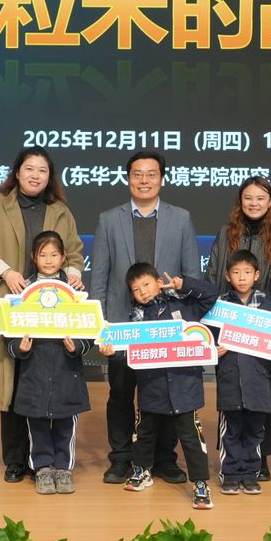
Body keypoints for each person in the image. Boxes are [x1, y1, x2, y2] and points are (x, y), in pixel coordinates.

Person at [0, 148, 85, 483]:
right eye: (29, 168)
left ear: (50, 176)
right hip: (10, 304)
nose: (35, 175)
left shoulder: (60, 211)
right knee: (13, 382)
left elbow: (74, 249)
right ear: (17, 173)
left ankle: (43, 460)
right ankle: (16, 459)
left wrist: (72, 273)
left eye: (42, 170)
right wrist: (5, 271)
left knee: (43, 383)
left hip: (50, 310)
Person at [90, 150, 202, 485]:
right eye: (137, 174)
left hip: (166, 325)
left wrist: (188, 323)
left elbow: (192, 274)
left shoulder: (181, 218)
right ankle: (121, 458)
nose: (144, 180)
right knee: (121, 394)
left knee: (165, 394)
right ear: (128, 179)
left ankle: (164, 459)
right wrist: (100, 326)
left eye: (151, 174)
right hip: (123, 324)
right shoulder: (109, 219)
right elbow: (100, 276)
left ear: (161, 179)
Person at [99, 263, 219, 509]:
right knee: (144, 433)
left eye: (146, 284)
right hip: (151, 388)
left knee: (191, 438)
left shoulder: (184, 305)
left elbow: (212, 296)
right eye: (136, 289)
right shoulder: (136, 320)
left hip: (185, 388)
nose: (143, 291)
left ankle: (200, 483)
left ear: (158, 282)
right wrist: (112, 353)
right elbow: (125, 351)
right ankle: (142, 471)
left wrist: (185, 284)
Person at [205, 176, 271, 481]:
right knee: (231, 395)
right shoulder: (225, 232)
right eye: (248, 198)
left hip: (265, 328)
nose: (254, 203)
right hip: (229, 327)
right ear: (240, 201)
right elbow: (213, 276)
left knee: (264, 396)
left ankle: (261, 456)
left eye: (260, 198)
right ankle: (231, 459)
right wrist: (215, 325)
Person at [5, 231, 91, 495]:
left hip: (67, 371)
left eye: (54, 254)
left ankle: (63, 469)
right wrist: (19, 348)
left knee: (66, 423)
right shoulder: (23, 291)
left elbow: (90, 331)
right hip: (35, 370)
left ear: (64, 257)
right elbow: (8, 333)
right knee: (37, 423)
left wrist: (77, 346)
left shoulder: (76, 290)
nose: (49, 260)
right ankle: (42, 468)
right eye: (43, 255)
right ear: (34, 257)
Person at [212, 250, 271, 496]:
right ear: (227, 276)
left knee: (255, 432)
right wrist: (214, 349)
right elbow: (209, 339)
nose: (242, 277)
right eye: (236, 272)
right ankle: (230, 474)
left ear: (257, 275)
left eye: (247, 272)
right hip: (230, 379)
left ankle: (249, 474)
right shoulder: (220, 307)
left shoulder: (269, 306)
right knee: (231, 431)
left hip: (259, 381)